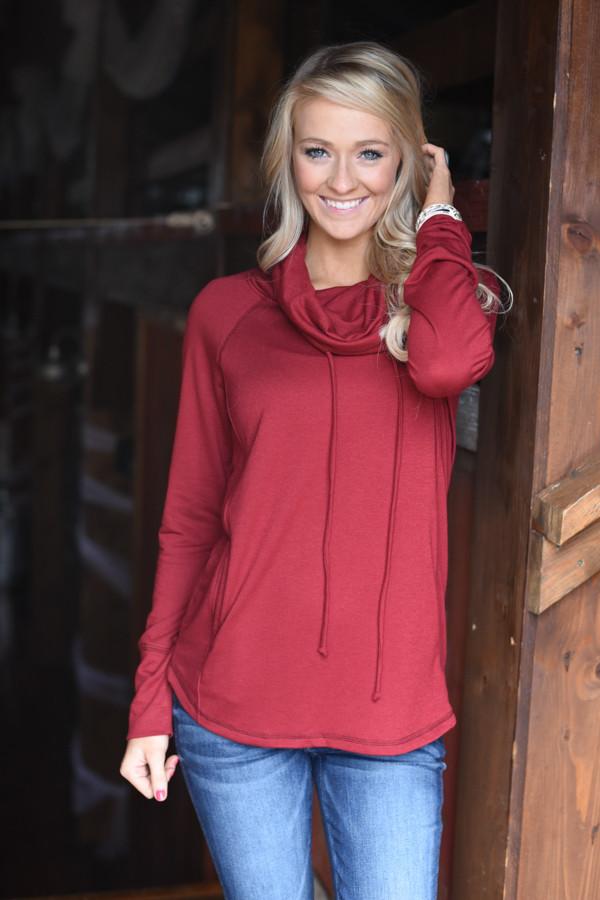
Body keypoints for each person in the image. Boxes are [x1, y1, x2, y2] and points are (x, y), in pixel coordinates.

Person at [120, 40, 512, 900]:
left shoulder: (435, 303)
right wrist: (149, 699)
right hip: (233, 704)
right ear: (287, 159)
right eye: (317, 150)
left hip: (387, 716)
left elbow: (448, 366)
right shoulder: (227, 313)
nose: (341, 179)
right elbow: (190, 518)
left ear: (407, 162)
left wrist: (442, 218)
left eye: (370, 152)